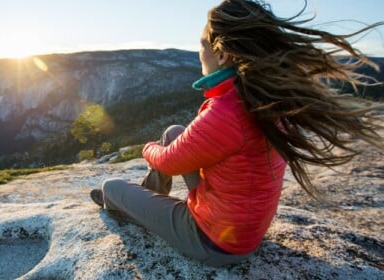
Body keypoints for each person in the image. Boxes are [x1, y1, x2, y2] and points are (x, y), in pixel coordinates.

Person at [90, 0, 384, 266]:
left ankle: (125, 206)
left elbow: (167, 161)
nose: (199, 53)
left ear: (221, 55)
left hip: (214, 241)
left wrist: (147, 147)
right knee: (174, 132)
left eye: (202, 44)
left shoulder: (226, 111)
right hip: (241, 228)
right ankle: (150, 197)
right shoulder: (263, 98)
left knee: (111, 187)